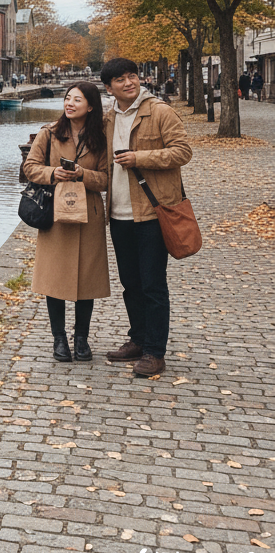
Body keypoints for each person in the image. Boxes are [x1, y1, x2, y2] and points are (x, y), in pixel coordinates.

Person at [101, 57, 192, 378]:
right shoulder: (108, 118)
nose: (129, 82)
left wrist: (141, 157)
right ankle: (137, 340)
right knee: (130, 284)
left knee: (153, 284)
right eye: (121, 79)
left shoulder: (160, 111)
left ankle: (155, 351)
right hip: (119, 214)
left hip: (152, 213)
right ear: (109, 87)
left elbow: (183, 151)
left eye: (132, 76)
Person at [23, 82, 110, 363]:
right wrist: (53, 173)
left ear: (91, 105)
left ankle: (81, 338)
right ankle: (59, 338)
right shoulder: (49, 133)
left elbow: (106, 178)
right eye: (67, 98)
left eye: (77, 99)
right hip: (56, 215)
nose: (70, 104)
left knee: (87, 279)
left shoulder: (100, 137)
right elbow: (30, 168)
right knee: (55, 279)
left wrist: (84, 174)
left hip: (89, 215)